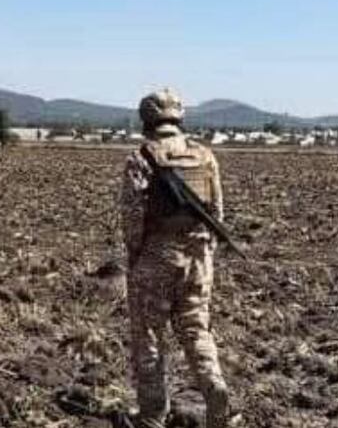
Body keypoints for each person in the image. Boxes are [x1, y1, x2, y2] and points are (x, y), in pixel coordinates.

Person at [120, 88, 230, 428]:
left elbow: (132, 218)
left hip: (157, 257)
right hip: (199, 258)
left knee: (149, 336)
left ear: (147, 120)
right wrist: (204, 250)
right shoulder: (205, 156)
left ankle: (152, 415)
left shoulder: (141, 158)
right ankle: (215, 390)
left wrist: (137, 255)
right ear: (179, 118)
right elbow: (217, 213)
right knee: (197, 329)